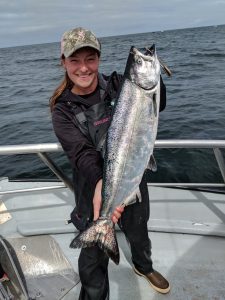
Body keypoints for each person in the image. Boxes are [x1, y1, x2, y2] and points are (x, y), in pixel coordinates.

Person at [50, 27, 170, 299]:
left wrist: (157, 75)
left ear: (99, 59)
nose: (84, 68)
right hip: (92, 186)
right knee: (92, 259)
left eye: (90, 59)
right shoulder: (63, 111)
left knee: (139, 230)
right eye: (75, 60)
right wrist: (101, 184)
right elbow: (81, 153)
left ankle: (144, 266)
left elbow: (158, 105)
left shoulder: (119, 84)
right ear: (63, 62)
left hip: (134, 176)